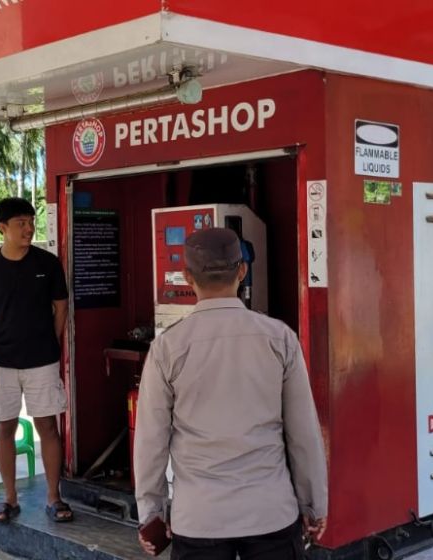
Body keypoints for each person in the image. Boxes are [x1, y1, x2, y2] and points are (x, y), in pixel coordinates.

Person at [134, 227, 328, 559]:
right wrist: (313, 504)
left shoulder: (167, 348)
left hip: (199, 518)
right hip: (270, 512)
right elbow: (303, 433)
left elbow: (151, 442)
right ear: (242, 271)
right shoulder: (279, 338)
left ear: (187, 277)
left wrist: (151, 513)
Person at [0, 197, 73, 523]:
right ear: (3, 228)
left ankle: (54, 497)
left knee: (48, 427)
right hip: (1, 363)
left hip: (42, 362)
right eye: (21, 223)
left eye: (31, 222)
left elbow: (61, 307)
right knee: (5, 428)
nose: (29, 229)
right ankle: (9, 499)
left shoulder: (48, 263)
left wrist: (51, 342)